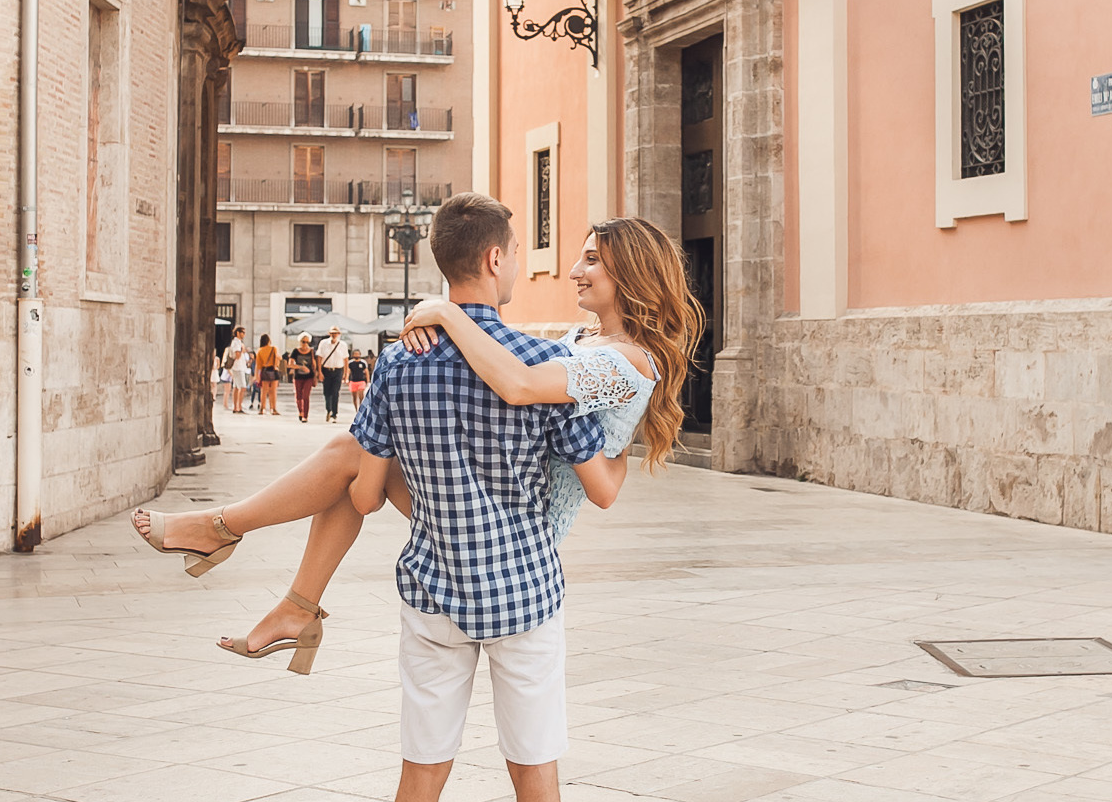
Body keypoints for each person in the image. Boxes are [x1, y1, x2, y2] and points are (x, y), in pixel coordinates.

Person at [135, 210, 699, 668]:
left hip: (522, 514)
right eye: (578, 255)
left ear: (631, 272)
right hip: (495, 482)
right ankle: (289, 600)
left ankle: (228, 536)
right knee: (353, 456)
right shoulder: (584, 339)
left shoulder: (626, 361)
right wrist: (448, 324)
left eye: (593, 259)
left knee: (353, 455)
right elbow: (509, 352)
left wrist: (450, 317)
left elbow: (525, 383)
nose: (575, 268)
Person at [317, 325, 348, 422]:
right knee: (327, 392)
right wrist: (320, 372)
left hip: (338, 370)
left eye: (335, 333)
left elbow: (345, 359)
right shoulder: (323, 343)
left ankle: (334, 414)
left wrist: (346, 373)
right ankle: (328, 410)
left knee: (335, 392)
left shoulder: (343, 344)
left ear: (339, 334)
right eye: (332, 333)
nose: (334, 335)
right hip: (326, 369)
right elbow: (319, 357)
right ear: (329, 334)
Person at [289, 334, 318, 422]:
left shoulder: (311, 351)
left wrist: (316, 375)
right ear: (300, 342)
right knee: (298, 396)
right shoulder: (295, 351)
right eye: (303, 342)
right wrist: (301, 367)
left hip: (308, 377)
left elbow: (314, 364)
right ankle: (300, 412)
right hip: (298, 376)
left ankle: (305, 415)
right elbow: (290, 364)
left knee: (306, 396)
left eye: (307, 342)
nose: (305, 344)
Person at [253, 333, 281, 415]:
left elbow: (258, 365)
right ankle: (273, 409)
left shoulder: (260, 350)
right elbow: (278, 358)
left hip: (264, 370)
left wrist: (257, 376)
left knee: (264, 391)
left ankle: (262, 408)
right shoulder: (274, 348)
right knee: (273, 391)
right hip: (273, 370)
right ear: (269, 340)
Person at [347, 345, 370, 411]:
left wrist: (368, 381)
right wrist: (347, 379)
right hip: (353, 381)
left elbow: (366, 371)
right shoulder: (350, 363)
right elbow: (348, 371)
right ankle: (356, 409)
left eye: (358, 354)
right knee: (354, 397)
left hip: (361, 381)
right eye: (355, 354)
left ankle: (361, 409)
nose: (356, 355)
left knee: (361, 395)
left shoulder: (363, 362)